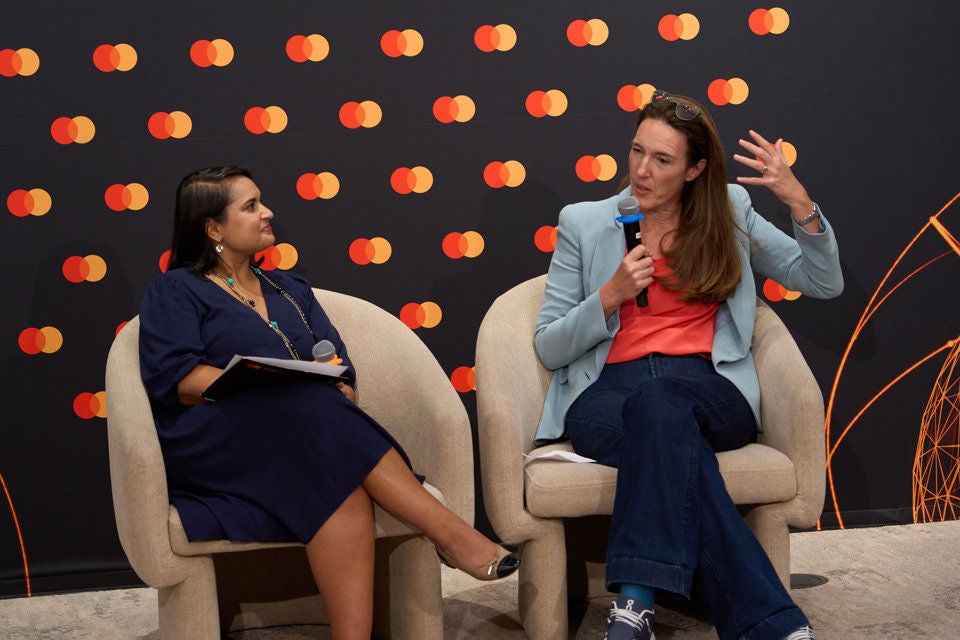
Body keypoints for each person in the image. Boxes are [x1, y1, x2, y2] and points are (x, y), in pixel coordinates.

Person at [138, 166, 519, 640]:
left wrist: (338, 387)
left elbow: (337, 364)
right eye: (251, 206)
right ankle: (451, 534)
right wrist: (263, 384)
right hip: (216, 440)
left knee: (336, 469)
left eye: (262, 201)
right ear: (213, 227)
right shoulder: (176, 289)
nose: (267, 212)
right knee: (302, 400)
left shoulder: (290, 289)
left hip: (303, 435)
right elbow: (179, 380)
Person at [533, 91, 842, 640]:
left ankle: (634, 603)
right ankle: (768, 623)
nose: (642, 170)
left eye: (663, 159)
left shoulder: (729, 211)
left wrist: (799, 202)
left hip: (709, 387)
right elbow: (549, 346)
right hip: (609, 395)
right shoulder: (584, 223)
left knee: (662, 406)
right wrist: (609, 296)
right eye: (637, 151)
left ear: (696, 169)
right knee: (667, 431)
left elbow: (820, 280)